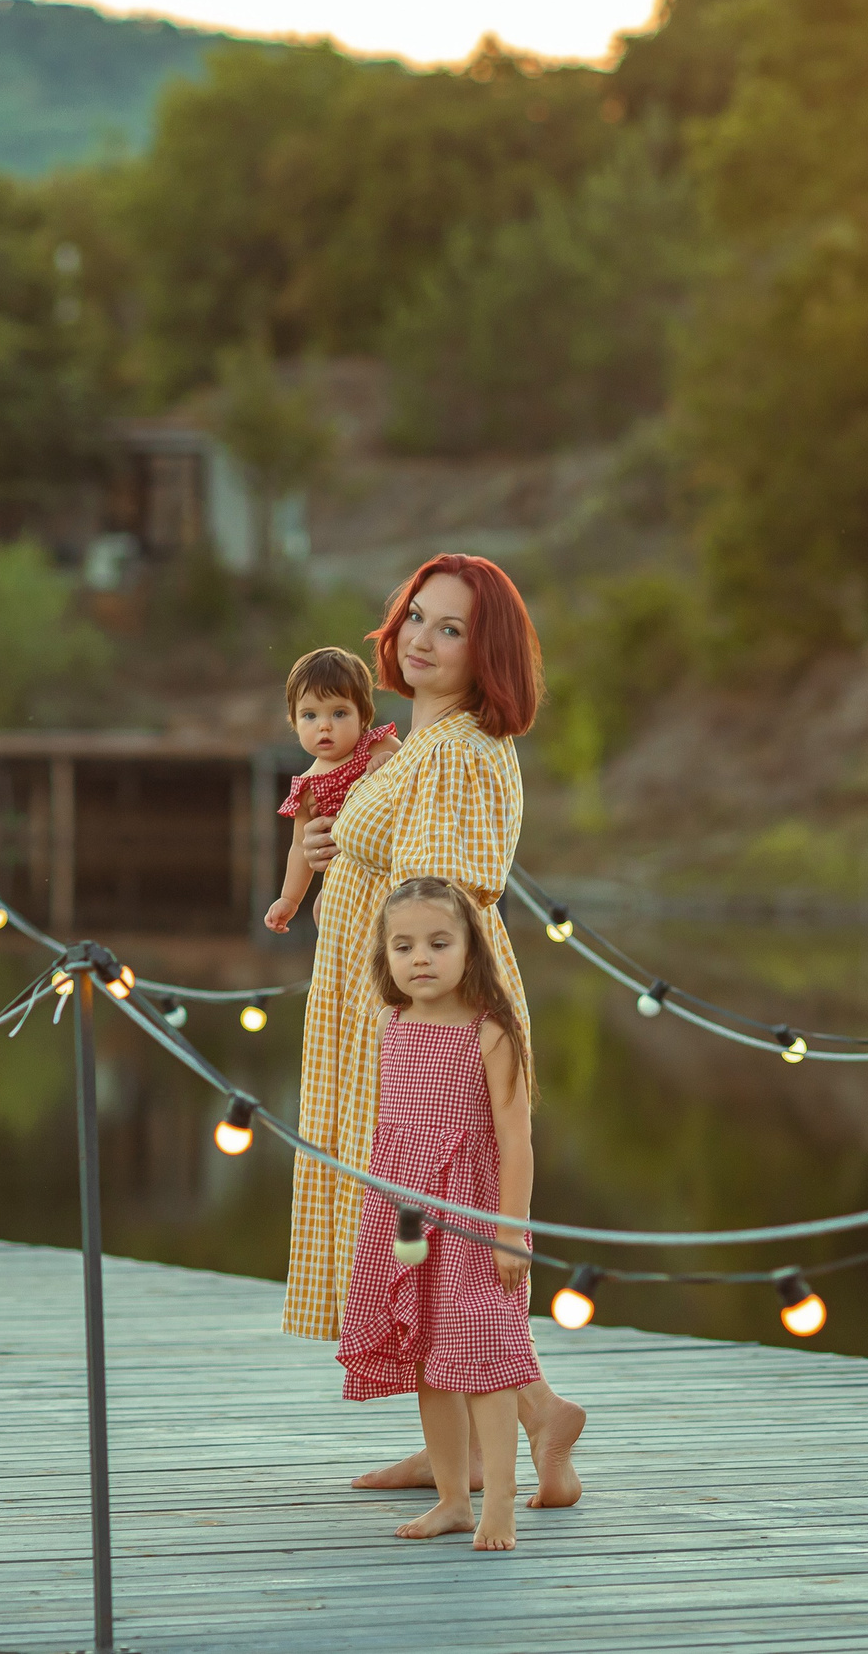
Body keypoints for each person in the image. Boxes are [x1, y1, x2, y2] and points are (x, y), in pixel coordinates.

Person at [283, 552, 585, 1508]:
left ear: (485, 650)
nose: (421, 637)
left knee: (439, 1226)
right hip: (378, 1008)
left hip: (426, 1020)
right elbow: (381, 857)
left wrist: (417, 1030)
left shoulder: (462, 750)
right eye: (417, 614)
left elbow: (438, 904)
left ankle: (532, 1418)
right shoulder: (415, 742)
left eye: (451, 628)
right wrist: (327, 841)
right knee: (410, 1230)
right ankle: (467, 1446)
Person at [336, 878, 539, 1550]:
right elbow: (398, 1140)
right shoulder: (390, 1023)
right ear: (386, 956)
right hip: (404, 1213)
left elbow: (516, 1139)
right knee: (427, 1350)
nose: (420, 957)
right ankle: (453, 1499)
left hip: (473, 1215)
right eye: (403, 946)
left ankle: (499, 1500)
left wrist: (510, 1231)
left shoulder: (491, 1032)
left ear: (470, 950)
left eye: (438, 943)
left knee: (483, 1352)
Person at [264, 648, 399, 934]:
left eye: (339, 713)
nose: (324, 726)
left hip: (391, 869)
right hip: (347, 876)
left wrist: (392, 764)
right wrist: (289, 899)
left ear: (363, 715)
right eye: (309, 715)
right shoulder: (307, 787)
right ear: (294, 721)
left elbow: (416, 778)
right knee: (324, 908)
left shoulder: (378, 746)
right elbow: (300, 846)